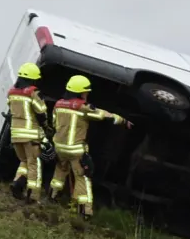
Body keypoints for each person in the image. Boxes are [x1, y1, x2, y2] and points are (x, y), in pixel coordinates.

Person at [48, 74, 130, 219]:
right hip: (76, 150)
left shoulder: (59, 105)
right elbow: (102, 115)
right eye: (86, 92)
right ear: (80, 92)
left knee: (60, 171)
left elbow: (54, 123)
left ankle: (52, 196)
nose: (87, 94)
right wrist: (122, 120)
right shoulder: (83, 107)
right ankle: (85, 211)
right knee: (82, 177)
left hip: (59, 147)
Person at [6, 63, 50, 201]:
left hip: (15, 134)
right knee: (34, 164)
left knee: (24, 161)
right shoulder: (33, 92)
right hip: (30, 135)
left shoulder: (11, 92)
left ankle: (17, 183)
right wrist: (46, 127)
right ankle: (33, 196)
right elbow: (41, 112)